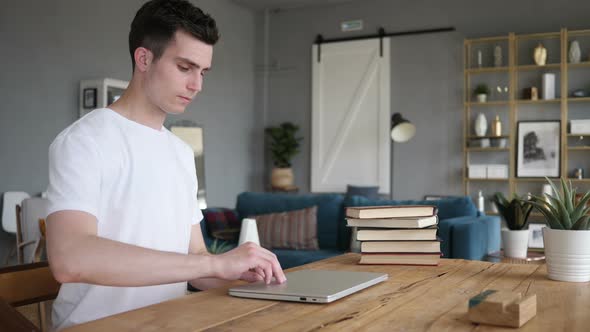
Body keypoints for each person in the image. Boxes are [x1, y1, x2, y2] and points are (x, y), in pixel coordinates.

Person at [45, 0, 285, 329]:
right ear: (144, 58)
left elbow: (197, 260)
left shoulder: (181, 153)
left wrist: (247, 279)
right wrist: (214, 266)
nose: (197, 85)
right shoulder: (84, 140)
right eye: (185, 67)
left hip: (168, 324)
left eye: (202, 72)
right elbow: (70, 259)